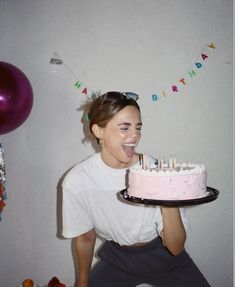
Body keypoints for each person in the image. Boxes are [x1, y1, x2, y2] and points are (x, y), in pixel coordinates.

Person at [62, 91, 210, 287]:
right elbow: (86, 238)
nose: (135, 136)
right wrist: (82, 282)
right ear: (99, 131)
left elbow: (175, 247)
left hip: (164, 256)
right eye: (125, 128)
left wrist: (167, 198)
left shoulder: (156, 171)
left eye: (138, 128)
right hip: (117, 260)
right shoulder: (78, 180)